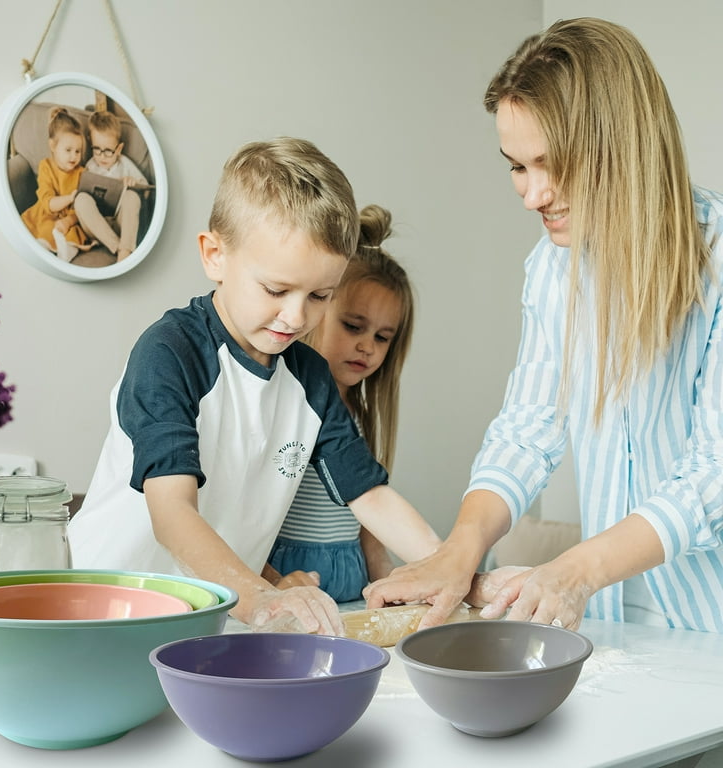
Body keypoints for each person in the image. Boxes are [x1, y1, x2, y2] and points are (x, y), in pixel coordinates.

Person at [365, 17, 723, 638]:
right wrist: (461, 548)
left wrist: (575, 570)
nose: (532, 195)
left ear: (624, 147)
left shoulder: (715, 263)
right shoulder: (553, 269)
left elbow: (712, 478)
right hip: (619, 626)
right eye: (517, 167)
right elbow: (529, 427)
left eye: (551, 164)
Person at [68, 137, 441, 636]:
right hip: (112, 607)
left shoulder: (309, 377)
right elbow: (172, 513)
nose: (296, 316)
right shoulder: (169, 354)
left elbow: (370, 496)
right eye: (276, 290)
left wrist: (452, 570)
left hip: (211, 616)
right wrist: (264, 599)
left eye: (319, 296)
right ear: (215, 255)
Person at [263, 204, 414, 602]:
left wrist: (384, 572)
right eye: (353, 326)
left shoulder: (359, 418)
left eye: (383, 337)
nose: (367, 346)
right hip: (291, 576)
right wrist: (271, 581)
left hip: (351, 578)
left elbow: (367, 510)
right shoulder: (287, 409)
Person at [74, 110, 149, 263]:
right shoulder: (90, 165)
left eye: (108, 151)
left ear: (119, 149)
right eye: (97, 149)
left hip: (121, 224)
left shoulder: (125, 164)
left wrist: (133, 183)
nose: (102, 156)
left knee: (132, 196)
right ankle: (118, 247)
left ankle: (125, 250)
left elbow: (147, 190)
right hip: (97, 227)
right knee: (80, 199)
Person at [20, 106, 92, 263]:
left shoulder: (82, 172)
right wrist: (69, 198)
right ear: (53, 146)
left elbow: (81, 210)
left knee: (74, 235)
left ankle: (64, 252)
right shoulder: (45, 166)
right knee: (46, 229)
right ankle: (43, 249)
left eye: (78, 151)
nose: (74, 156)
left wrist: (68, 221)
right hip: (46, 213)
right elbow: (48, 203)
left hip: (71, 219)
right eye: (68, 150)